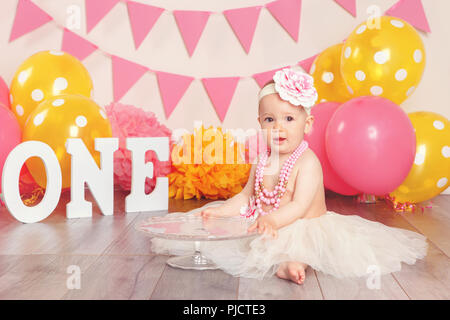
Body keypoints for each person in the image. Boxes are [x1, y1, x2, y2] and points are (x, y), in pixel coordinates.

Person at [150, 67, 428, 285]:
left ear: (307, 125)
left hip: (303, 225)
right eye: (270, 120)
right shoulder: (262, 159)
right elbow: (248, 197)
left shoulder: (307, 163)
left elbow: (299, 206)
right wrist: (223, 211)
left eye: (289, 119)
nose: (279, 128)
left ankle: (293, 265)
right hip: (266, 223)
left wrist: (271, 219)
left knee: (301, 247)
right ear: (260, 124)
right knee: (229, 238)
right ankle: (278, 259)